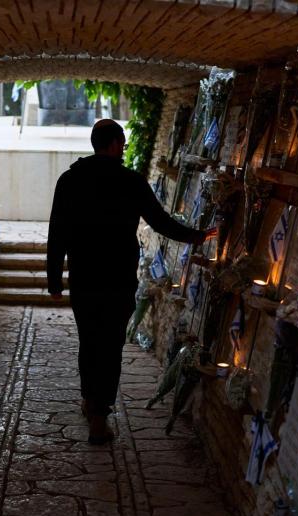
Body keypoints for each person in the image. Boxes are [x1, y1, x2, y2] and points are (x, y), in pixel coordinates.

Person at [47, 119, 215, 444]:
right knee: (110, 346)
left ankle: (89, 400)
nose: (123, 147)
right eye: (122, 142)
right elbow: (160, 221)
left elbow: (58, 233)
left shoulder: (70, 180)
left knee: (90, 341)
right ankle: (99, 414)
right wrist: (197, 237)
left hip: (83, 278)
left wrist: (55, 281)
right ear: (112, 144)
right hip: (117, 278)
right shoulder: (130, 182)